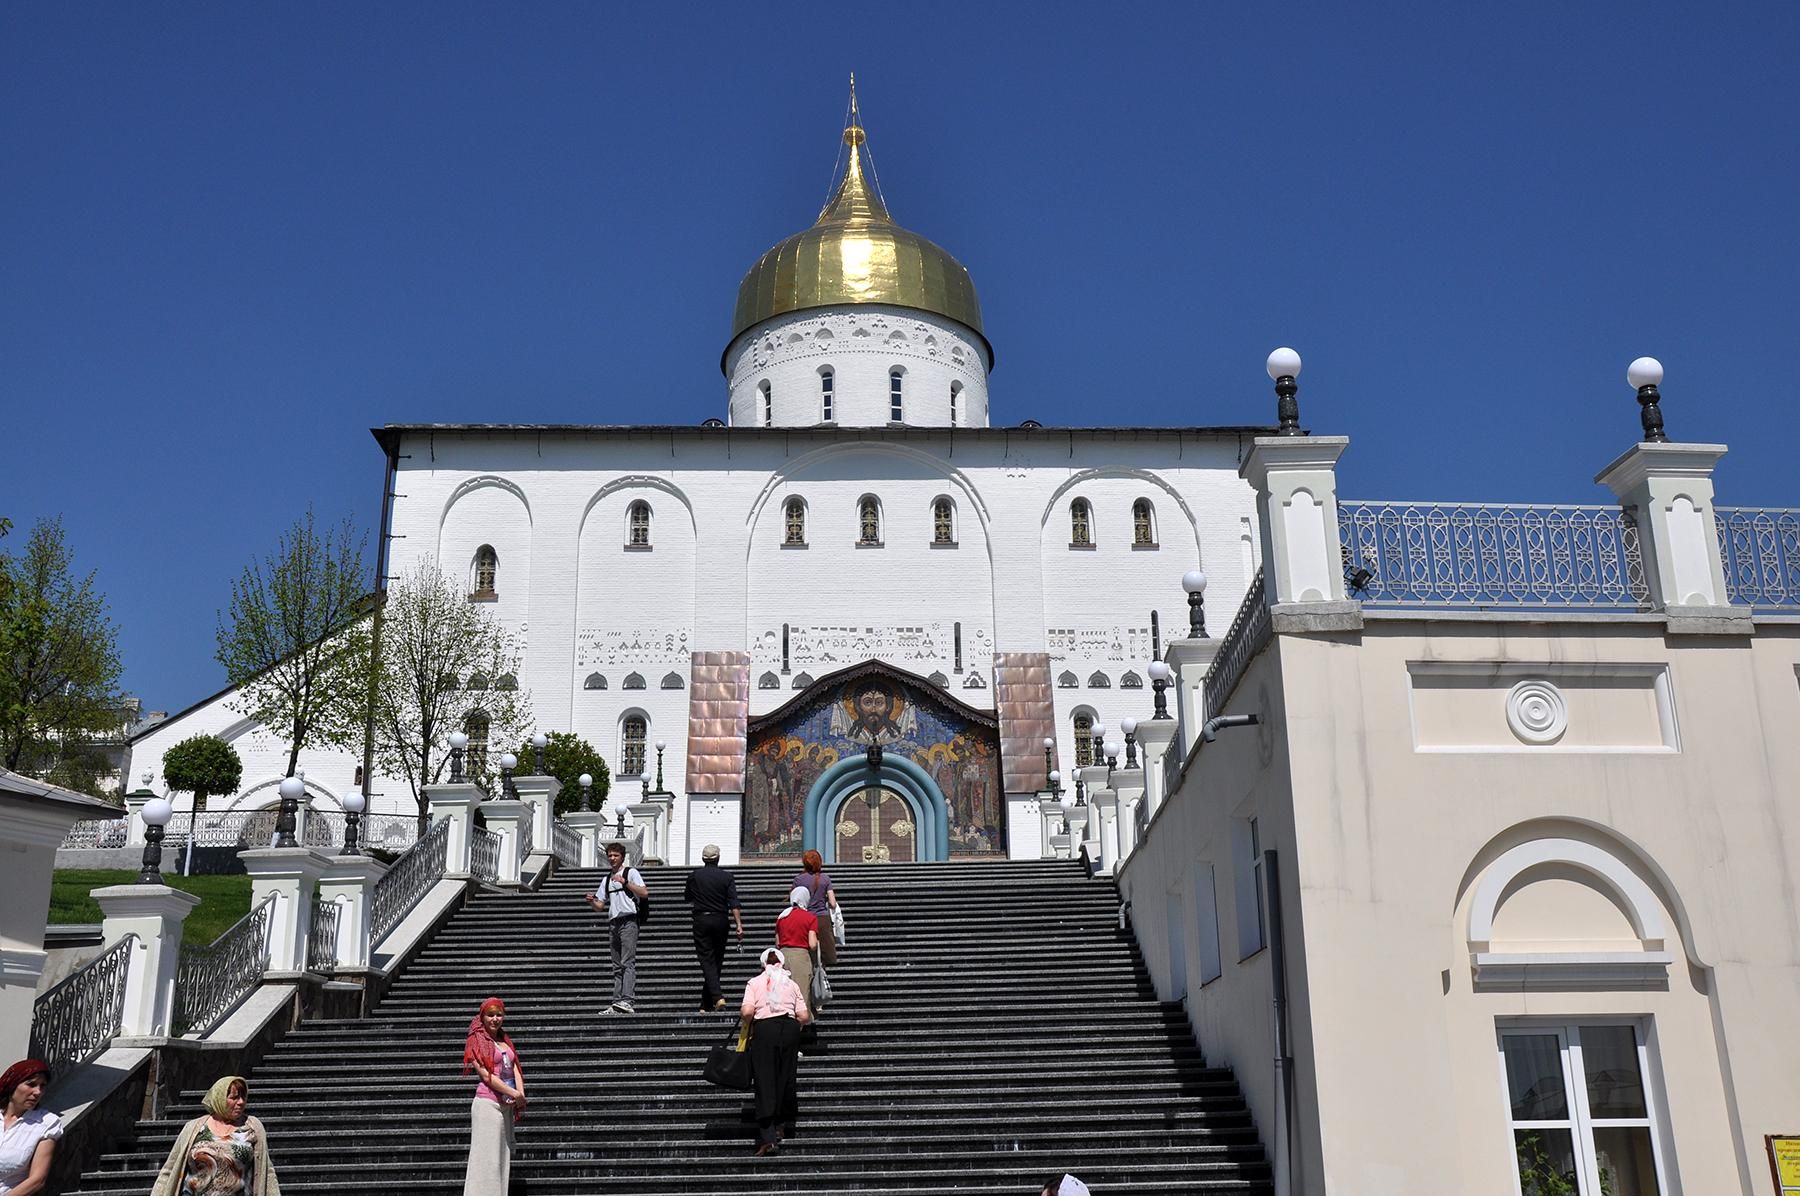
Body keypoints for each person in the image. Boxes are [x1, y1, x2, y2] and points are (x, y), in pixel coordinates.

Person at [149, 1075, 280, 1196]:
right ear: (219, 1098)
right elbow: (169, 1170)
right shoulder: (194, 1127)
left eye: (243, 1097)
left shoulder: (252, 1126)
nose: (240, 1102)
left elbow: (267, 1172)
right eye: (234, 1098)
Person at [740, 947, 811, 1156]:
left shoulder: (754, 983)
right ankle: (781, 1122)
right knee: (785, 1077)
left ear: (763, 964)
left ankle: (768, 1136)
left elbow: (747, 1011)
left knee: (764, 1080)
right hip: (789, 1029)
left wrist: (748, 1023)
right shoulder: (791, 984)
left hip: (764, 1030)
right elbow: (804, 1016)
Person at [462, 997, 525, 1196]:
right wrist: (514, 1093)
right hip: (487, 1103)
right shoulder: (476, 1039)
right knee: (486, 1158)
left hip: (506, 1103)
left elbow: (515, 1065)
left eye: (499, 1015)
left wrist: (520, 1093)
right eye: (490, 1015)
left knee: (500, 1158)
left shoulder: (505, 1040)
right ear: (483, 1017)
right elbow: (486, 1076)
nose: (495, 1019)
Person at [585, 841, 648, 1014]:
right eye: (610, 855)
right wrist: (592, 902)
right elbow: (600, 906)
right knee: (616, 964)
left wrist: (625, 882)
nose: (612, 859)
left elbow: (644, 893)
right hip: (614, 922)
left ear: (622, 857)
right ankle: (617, 1001)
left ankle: (627, 1000)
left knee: (627, 962)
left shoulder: (631, 872)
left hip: (629, 921)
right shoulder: (606, 879)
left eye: (616, 855)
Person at [683, 843, 744, 1011]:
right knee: (716, 959)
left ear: (703, 859)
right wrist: (739, 924)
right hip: (721, 920)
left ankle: (716, 997)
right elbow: (734, 902)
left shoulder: (694, 876)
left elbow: (687, 897)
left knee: (707, 959)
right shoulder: (727, 877)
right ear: (718, 858)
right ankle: (707, 1003)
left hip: (702, 919)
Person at [0, 1060, 58, 1196]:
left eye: (42, 1086)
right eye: (31, 1084)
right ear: (12, 1085)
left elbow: (37, 1180)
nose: (37, 1092)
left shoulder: (46, 1123)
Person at [792, 848, 840, 967]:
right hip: (822, 918)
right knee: (825, 952)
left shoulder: (798, 880)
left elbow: (794, 900)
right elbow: (833, 903)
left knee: (808, 949)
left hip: (805, 918)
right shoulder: (825, 879)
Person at [774, 884, 820, 1007]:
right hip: (801, 957)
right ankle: (801, 1023)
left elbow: (777, 943)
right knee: (801, 993)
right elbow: (812, 944)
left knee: (783, 994)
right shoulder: (810, 917)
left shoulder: (782, 917)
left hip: (782, 957)